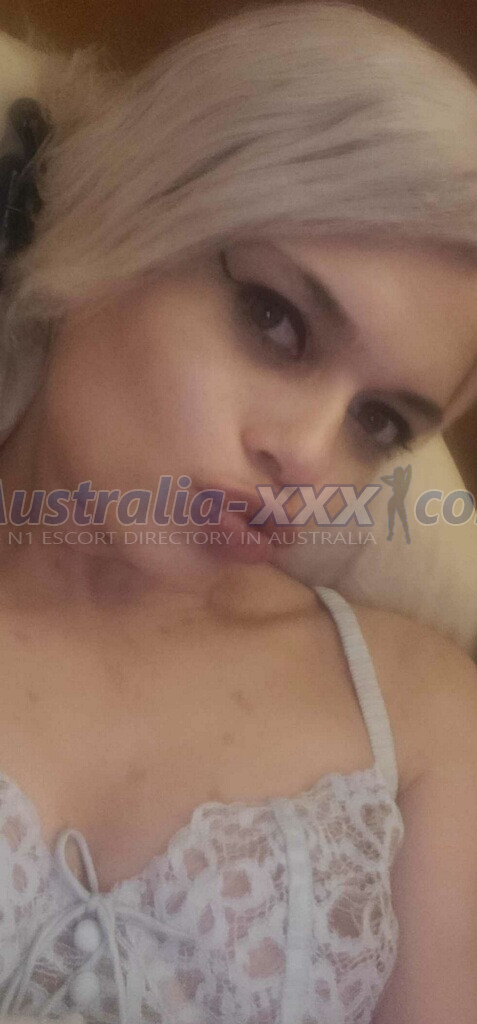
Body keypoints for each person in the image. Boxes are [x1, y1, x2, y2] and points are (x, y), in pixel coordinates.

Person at [0, 2, 476, 1022]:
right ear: (123, 213)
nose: (308, 457)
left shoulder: (427, 722)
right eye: (275, 318)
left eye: (379, 423)